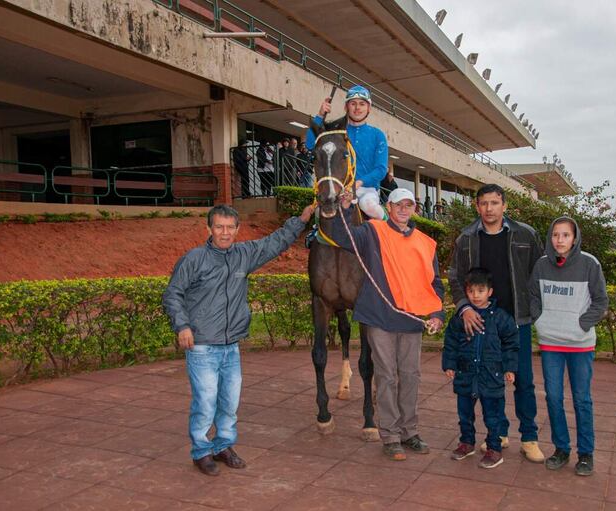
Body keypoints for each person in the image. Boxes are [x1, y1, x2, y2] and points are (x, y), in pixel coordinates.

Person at [162, 203, 315, 476]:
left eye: (229, 227)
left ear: (237, 229)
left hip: (230, 346)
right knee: (206, 402)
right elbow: (173, 294)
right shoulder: (194, 259)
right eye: (218, 227)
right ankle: (201, 451)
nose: (224, 232)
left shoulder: (244, 254)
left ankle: (223, 446)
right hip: (202, 346)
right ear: (208, 228)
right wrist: (182, 326)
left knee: (230, 403)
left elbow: (274, 242)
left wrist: (301, 219)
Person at [330, 187, 444, 461]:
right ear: (388, 208)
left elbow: (435, 283)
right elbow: (340, 236)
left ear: (415, 209)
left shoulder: (426, 243)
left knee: (411, 377)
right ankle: (391, 435)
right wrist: (344, 208)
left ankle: (410, 432)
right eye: (398, 204)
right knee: (386, 377)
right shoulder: (373, 232)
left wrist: (438, 313)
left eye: (409, 204)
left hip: (412, 320)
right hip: (380, 316)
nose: (403, 209)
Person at [447, 183, 545, 463]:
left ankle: (529, 437)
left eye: (494, 203)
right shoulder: (466, 238)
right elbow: (456, 277)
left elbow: (538, 275)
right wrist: (464, 307)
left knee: (523, 380)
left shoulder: (525, 234)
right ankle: (499, 433)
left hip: (515, 321)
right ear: (477, 207)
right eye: (484, 204)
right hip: (479, 322)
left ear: (504, 206)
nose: (489, 209)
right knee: (489, 380)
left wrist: (532, 310)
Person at [529, 216, 608, 476]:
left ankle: (586, 454)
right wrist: (541, 320)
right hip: (551, 342)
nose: (560, 240)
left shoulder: (589, 263)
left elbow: (600, 301)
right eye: (555, 235)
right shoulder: (541, 265)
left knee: (582, 399)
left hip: (580, 344)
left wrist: (582, 324)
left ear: (574, 238)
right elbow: (532, 296)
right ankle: (561, 448)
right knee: (553, 397)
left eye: (565, 235)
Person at [442, 268, 519, 469]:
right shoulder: (461, 318)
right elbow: (451, 341)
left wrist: (509, 367)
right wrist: (450, 364)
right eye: (471, 291)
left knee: (493, 415)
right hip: (466, 374)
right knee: (464, 414)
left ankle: (494, 448)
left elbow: (511, 342)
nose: (476, 296)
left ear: (490, 292)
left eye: (480, 291)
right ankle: (467, 442)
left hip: (491, 376)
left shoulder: (501, 318)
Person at [307, 85, 389, 220]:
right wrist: (320, 115)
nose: (357, 108)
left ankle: (389, 230)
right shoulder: (335, 131)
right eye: (353, 104)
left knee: (370, 207)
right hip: (338, 188)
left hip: (366, 190)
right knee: (317, 214)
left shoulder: (377, 135)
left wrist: (359, 183)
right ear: (346, 107)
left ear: (369, 108)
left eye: (362, 104)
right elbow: (310, 144)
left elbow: (381, 169)